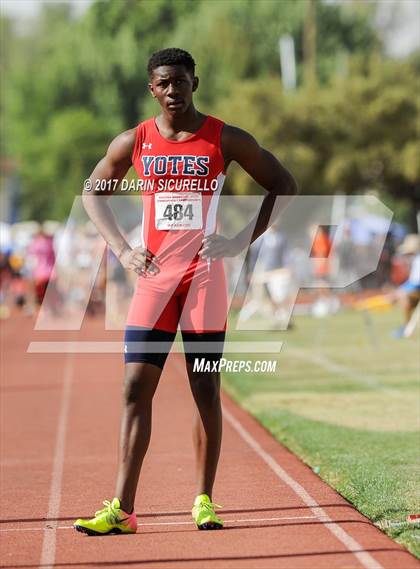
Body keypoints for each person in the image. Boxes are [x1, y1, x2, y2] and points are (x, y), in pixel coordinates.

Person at [74, 48, 297, 536]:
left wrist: (240, 240)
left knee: (204, 388)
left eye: (180, 81)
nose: (172, 90)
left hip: (204, 279)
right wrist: (122, 248)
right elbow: (93, 192)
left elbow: (284, 183)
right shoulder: (135, 141)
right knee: (135, 387)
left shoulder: (225, 138)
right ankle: (123, 509)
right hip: (155, 278)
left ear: (195, 81)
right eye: (162, 83)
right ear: (151, 88)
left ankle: (204, 500)